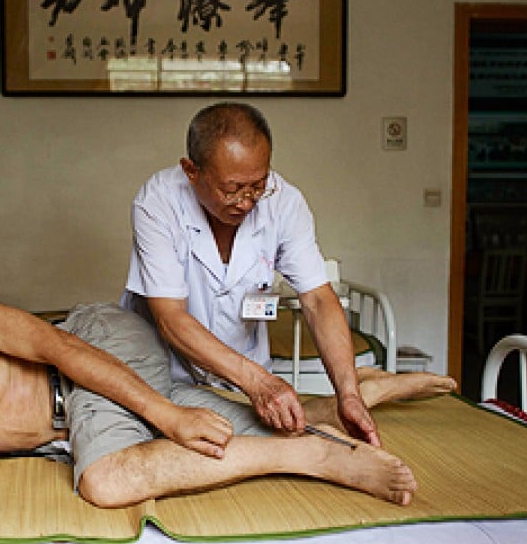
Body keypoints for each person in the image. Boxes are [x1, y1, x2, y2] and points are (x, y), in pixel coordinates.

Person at [0, 239, 454, 511]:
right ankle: (347, 402)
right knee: (218, 408)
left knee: (106, 481)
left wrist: (165, 422)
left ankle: (311, 455)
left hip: (91, 350)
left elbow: (57, 347)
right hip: (81, 417)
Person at [122, 102, 455, 446]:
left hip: (243, 375)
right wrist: (260, 382)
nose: (247, 202)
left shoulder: (285, 202)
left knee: (273, 431)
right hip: (166, 372)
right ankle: (377, 387)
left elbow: (318, 299)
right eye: (233, 188)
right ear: (192, 171)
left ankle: (362, 390)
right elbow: (171, 319)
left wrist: (348, 391)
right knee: (192, 438)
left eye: (258, 185)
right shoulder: (158, 202)